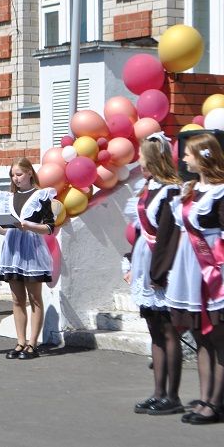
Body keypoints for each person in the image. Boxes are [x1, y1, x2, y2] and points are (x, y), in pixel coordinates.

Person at [158, 134, 224, 424]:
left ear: (205, 157)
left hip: (212, 273)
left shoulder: (221, 193)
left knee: (218, 339)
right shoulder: (188, 190)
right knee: (201, 338)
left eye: (188, 154)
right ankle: (204, 397)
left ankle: (216, 402)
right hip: (189, 271)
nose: (183, 158)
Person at [124, 133, 183, 415]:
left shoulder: (172, 191)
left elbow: (170, 237)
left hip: (164, 265)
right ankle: (158, 391)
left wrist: (158, 272)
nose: (140, 163)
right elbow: (139, 232)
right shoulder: (145, 189)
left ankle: (172, 396)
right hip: (144, 263)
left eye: (144, 158)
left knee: (169, 331)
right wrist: (130, 261)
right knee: (154, 331)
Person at [0, 157, 56, 360]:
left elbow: (49, 227)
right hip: (13, 249)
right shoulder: (9, 197)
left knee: (35, 298)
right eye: (13, 175)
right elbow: (6, 229)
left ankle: (33, 343)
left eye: (19, 174)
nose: (16, 178)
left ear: (30, 172)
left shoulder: (41, 195)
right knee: (17, 298)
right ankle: (20, 341)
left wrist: (29, 225)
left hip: (31, 249)